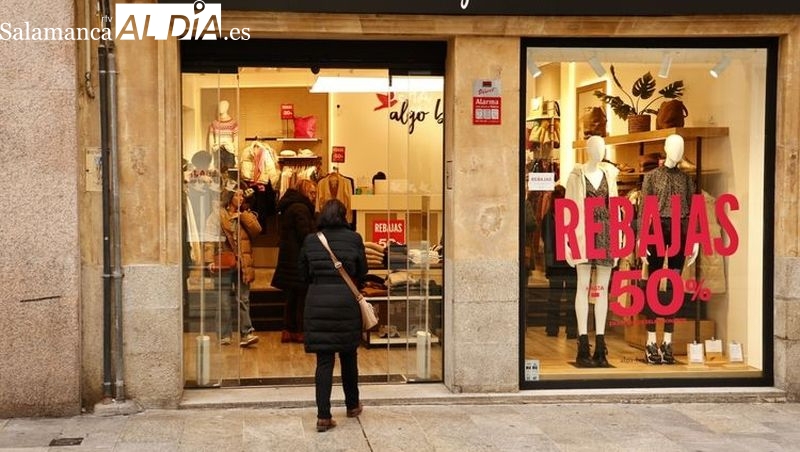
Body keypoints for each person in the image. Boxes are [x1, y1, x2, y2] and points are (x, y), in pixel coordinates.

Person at [299, 199, 368, 432]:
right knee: (349, 356)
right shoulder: (354, 238)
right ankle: (352, 405)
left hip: (318, 302)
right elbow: (362, 271)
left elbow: (302, 274)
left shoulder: (311, 240)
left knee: (324, 361)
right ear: (344, 215)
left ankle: (323, 416)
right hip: (346, 303)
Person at [638, 134, 698, 364]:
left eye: (681, 146)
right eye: (674, 146)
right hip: (656, 227)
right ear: (664, 148)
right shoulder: (651, 177)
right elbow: (644, 209)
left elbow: (693, 211)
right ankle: (651, 340)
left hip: (680, 229)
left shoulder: (686, 179)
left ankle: (668, 341)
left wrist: (694, 240)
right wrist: (642, 240)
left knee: (674, 285)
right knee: (653, 283)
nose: (678, 150)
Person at [564, 135, 619, 367]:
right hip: (583, 233)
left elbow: (615, 207)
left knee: (602, 290)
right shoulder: (576, 176)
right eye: (595, 147)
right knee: (583, 287)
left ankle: (600, 344)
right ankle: (583, 342)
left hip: (606, 234)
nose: (599, 151)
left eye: (602, 147)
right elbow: (568, 208)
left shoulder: (610, 175)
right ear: (587, 150)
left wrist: (618, 238)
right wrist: (568, 240)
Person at [213, 186, 262, 347]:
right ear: (230, 197)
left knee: (244, 299)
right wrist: (208, 261)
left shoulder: (247, 215)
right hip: (224, 262)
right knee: (223, 301)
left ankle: (246, 333)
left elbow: (257, 231)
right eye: (237, 196)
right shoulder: (219, 214)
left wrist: (242, 216)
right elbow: (209, 237)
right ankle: (224, 334)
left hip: (243, 263)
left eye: (242, 196)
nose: (241, 199)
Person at [272, 179, 317, 343]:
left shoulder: (290, 206)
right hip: (298, 260)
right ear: (304, 191)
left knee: (292, 297)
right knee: (301, 297)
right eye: (311, 192)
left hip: (289, 259)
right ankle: (299, 331)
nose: (314, 196)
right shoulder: (301, 208)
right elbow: (306, 235)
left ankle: (288, 330)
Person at [542, 184, 578, 339]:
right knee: (558, 298)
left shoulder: (565, 217)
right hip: (556, 262)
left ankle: (567, 330)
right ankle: (555, 329)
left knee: (565, 298)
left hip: (568, 262)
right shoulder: (549, 218)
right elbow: (545, 238)